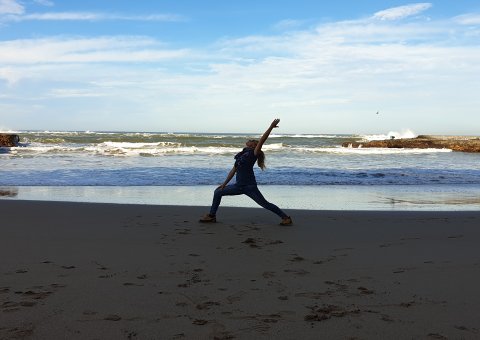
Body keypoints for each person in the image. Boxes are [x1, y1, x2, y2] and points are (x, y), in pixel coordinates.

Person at [199, 118, 292, 225]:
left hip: (249, 187)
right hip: (238, 186)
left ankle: (286, 218)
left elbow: (262, 139)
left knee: (265, 204)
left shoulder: (254, 153)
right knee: (218, 192)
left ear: (253, 145)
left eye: (252, 140)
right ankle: (212, 216)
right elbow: (233, 171)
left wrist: (271, 127)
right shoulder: (241, 156)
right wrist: (224, 184)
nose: (250, 140)